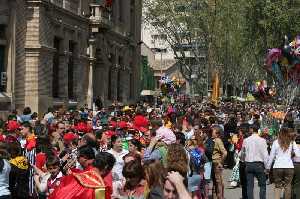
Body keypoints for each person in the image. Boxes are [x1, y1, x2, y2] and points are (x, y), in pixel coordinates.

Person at [48, 152, 115, 199]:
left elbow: (55, 195)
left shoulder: (72, 176)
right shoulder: (100, 189)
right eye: (110, 170)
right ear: (106, 167)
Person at [267, 128, 300, 199]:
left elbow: (271, 156)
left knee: (278, 186)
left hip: (277, 166)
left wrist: (268, 167)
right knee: (288, 186)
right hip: (289, 166)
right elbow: (298, 154)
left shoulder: (276, 142)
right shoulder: (291, 142)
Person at [242, 124, 268, 199]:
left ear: (252, 130)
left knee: (249, 186)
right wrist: (267, 167)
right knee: (262, 185)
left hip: (249, 164)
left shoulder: (246, 140)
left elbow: (243, 153)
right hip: (259, 164)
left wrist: (243, 161)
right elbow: (265, 155)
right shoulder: (262, 140)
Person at [211, 126, 227, 199]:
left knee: (219, 182)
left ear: (217, 134)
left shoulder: (218, 140)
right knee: (216, 181)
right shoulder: (214, 140)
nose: (212, 133)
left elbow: (225, 153)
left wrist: (221, 162)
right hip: (214, 163)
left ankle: (220, 197)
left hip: (217, 163)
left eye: (213, 132)